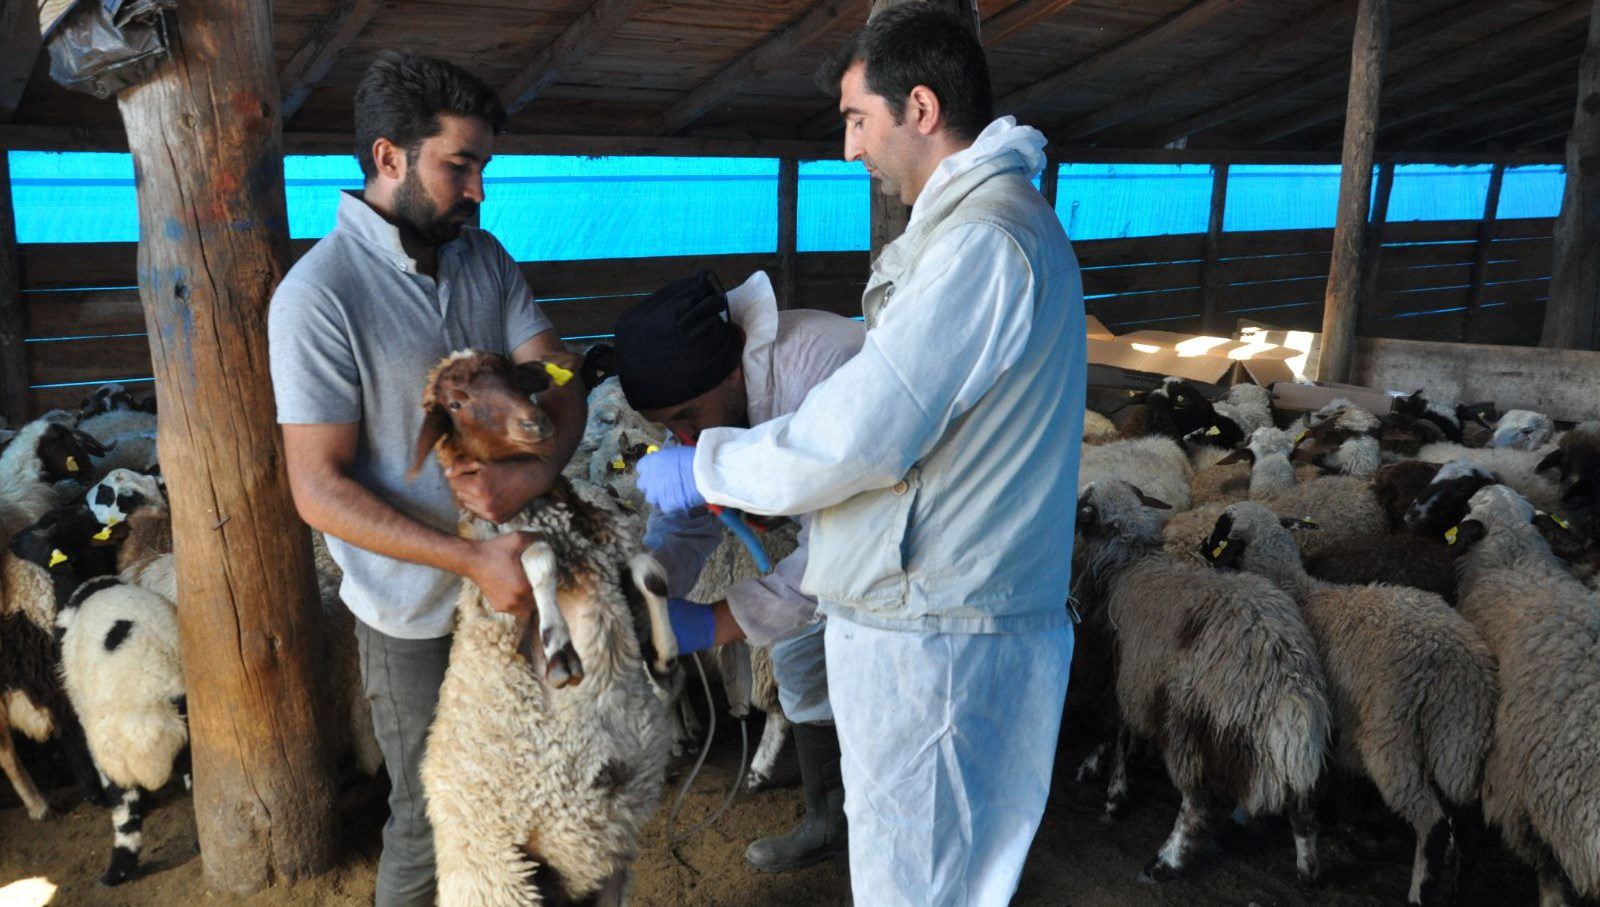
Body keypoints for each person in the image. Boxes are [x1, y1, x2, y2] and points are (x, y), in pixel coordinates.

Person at [634, 4, 1086, 904]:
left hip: (940, 633)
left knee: (914, 882)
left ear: (919, 108)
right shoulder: (970, 233)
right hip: (933, 617)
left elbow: (863, 433)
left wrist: (707, 469)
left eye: (855, 120)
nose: (848, 149)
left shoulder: (985, 243)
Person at [267, 51, 582, 907]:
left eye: (484, 165)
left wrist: (539, 468)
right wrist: (467, 557)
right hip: (416, 616)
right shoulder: (319, 297)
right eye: (461, 164)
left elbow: (558, 370)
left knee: (534, 796)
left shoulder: (481, 257)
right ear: (389, 157)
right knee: (432, 816)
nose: (479, 189)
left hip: (515, 590)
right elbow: (317, 487)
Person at [611, 267, 865, 873]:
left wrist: (714, 624)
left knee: (879, 691)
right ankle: (828, 821)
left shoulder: (821, 370)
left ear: (730, 373)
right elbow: (694, 509)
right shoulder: (714, 396)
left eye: (687, 418)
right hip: (836, 541)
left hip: (912, 556)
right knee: (800, 659)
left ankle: (884, 844)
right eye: (668, 427)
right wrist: (647, 590)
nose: (682, 437)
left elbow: (842, 550)